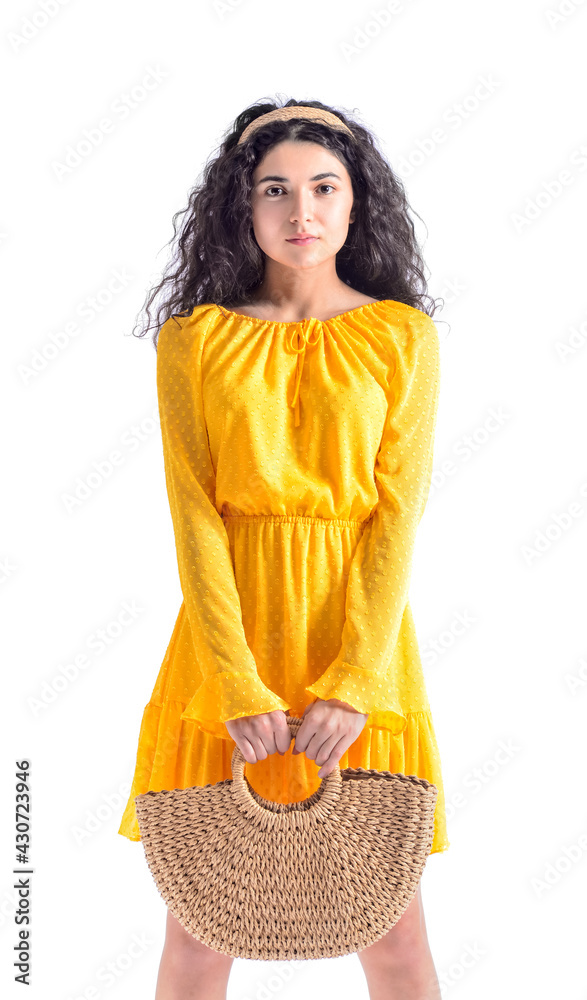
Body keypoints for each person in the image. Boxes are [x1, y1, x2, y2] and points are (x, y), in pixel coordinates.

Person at [118, 98, 450, 1000]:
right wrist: (233, 681)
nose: (299, 212)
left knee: (392, 937)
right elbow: (192, 515)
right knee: (198, 935)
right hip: (229, 644)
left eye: (322, 188)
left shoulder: (399, 337)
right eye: (274, 190)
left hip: (363, 650)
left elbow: (396, 517)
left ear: (355, 205)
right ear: (243, 205)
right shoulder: (195, 341)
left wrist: (354, 681)